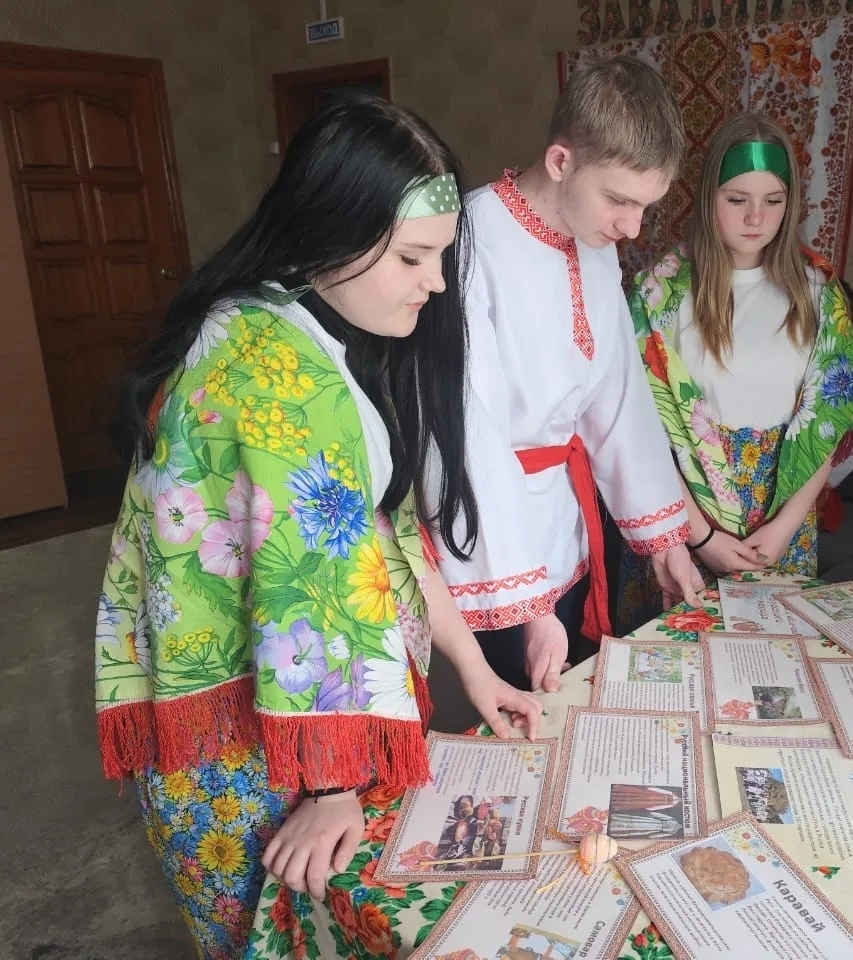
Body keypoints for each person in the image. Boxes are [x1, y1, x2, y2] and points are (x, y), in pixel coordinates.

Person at [93, 95, 541, 959]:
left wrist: (475, 668)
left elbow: (384, 536)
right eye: (413, 257)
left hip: (269, 737)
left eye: (441, 256)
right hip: (261, 759)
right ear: (332, 230)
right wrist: (334, 788)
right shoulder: (283, 377)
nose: (435, 282)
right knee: (286, 939)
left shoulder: (268, 323)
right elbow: (310, 590)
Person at [432, 56, 703, 694]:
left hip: (567, 524)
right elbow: (467, 431)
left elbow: (619, 400)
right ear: (561, 161)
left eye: (646, 206)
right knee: (516, 714)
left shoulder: (595, 244)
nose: (633, 227)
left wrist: (664, 540)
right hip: (490, 540)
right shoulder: (471, 238)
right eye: (620, 200)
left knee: (572, 703)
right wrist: (529, 610)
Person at [620, 111, 853, 631]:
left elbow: (828, 426)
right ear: (708, 196)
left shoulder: (818, 294)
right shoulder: (659, 293)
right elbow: (637, 432)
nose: (756, 218)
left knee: (771, 665)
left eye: (773, 201)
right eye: (737, 200)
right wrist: (702, 537)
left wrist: (784, 528)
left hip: (779, 528)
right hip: (681, 523)